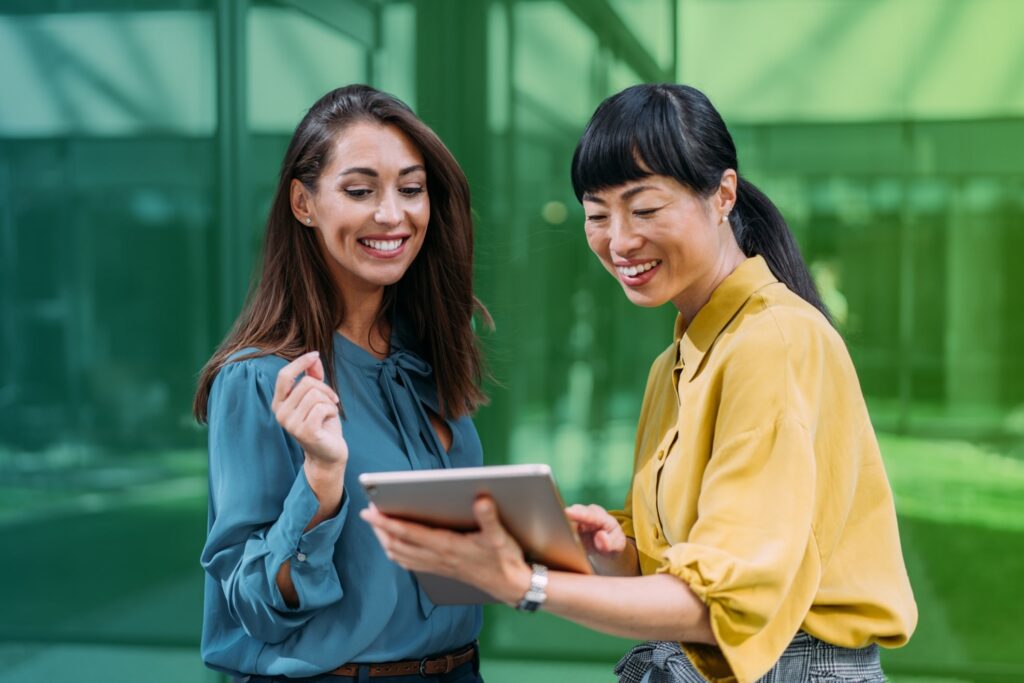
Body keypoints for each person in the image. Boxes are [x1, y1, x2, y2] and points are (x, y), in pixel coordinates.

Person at [362, 83, 918, 683]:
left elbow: (721, 605)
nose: (620, 241)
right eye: (597, 216)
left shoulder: (773, 342)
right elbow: (694, 564)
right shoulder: (677, 360)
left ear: (723, 194)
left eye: (645, 209)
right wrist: (618, 553)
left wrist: (529, 584)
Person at [193, 84, 489, 683]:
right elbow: (249, 604)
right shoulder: (259, 377)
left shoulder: (429, 357)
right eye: (359, 191)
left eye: (411, 189)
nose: (391, 214)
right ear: (304, 203)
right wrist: (322, 481)